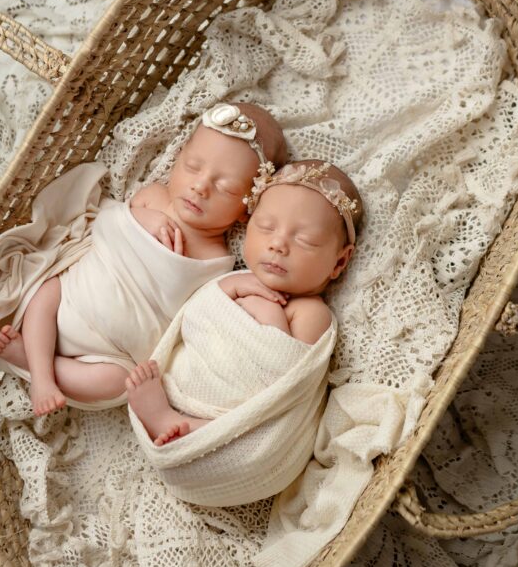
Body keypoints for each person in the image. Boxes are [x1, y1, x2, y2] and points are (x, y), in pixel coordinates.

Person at [0, 101, 289, 416]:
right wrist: (140, 220)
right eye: (193, 167)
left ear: (246, 210)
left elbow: (198, 312)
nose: (200, 187)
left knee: (117, 383)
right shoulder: (152, 197)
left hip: (110, 352)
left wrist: (237, 285)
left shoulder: (217, 260)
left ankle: (34, 363)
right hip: (72, 299)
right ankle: (40, 372)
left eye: (225, 188)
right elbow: (103, 221)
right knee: (47, 290)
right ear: (178, 159)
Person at [125, 159, 363, 445]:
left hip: (240, 418)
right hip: (189, 379)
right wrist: (229, 287)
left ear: (339, 261)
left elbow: (280, 376)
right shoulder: (233, 277)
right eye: (265, 227)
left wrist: (267, 310)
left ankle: (188, 425)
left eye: (306, 240)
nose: (278, 245)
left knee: (252, 430)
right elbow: (195, 314)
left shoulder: (311, 311)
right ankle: (173, 416)